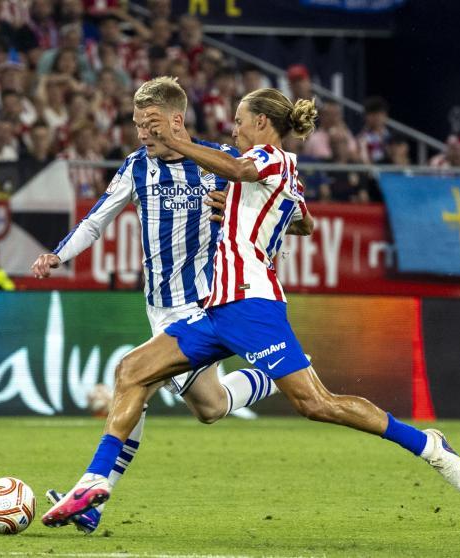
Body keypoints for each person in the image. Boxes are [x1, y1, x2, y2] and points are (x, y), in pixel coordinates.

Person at [41, 87, 460, 528]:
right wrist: (254, 211)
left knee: (316, 404)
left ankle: (426, 445)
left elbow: (246, 172)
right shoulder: (239, 174)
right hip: (214, 309)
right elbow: (299, 217)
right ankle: (95, 483)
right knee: (133, 371)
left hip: (253, 305)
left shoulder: (273, 159)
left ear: (262, 123)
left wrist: (186, 151)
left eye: (240, 120)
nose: (234, 127)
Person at [32, 77, 314, 533]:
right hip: (157, 306)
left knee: (134, 380)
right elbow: (96, 218)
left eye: (151, 123)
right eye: (137, 123)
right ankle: (276, 376)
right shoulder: (135, 167)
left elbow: (285, 204)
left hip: (202, 303)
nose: (143, 132)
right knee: (210, 406)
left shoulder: (217, 163)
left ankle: (93, 493)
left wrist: (248, 214)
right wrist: (58, 255)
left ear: (176, 121)